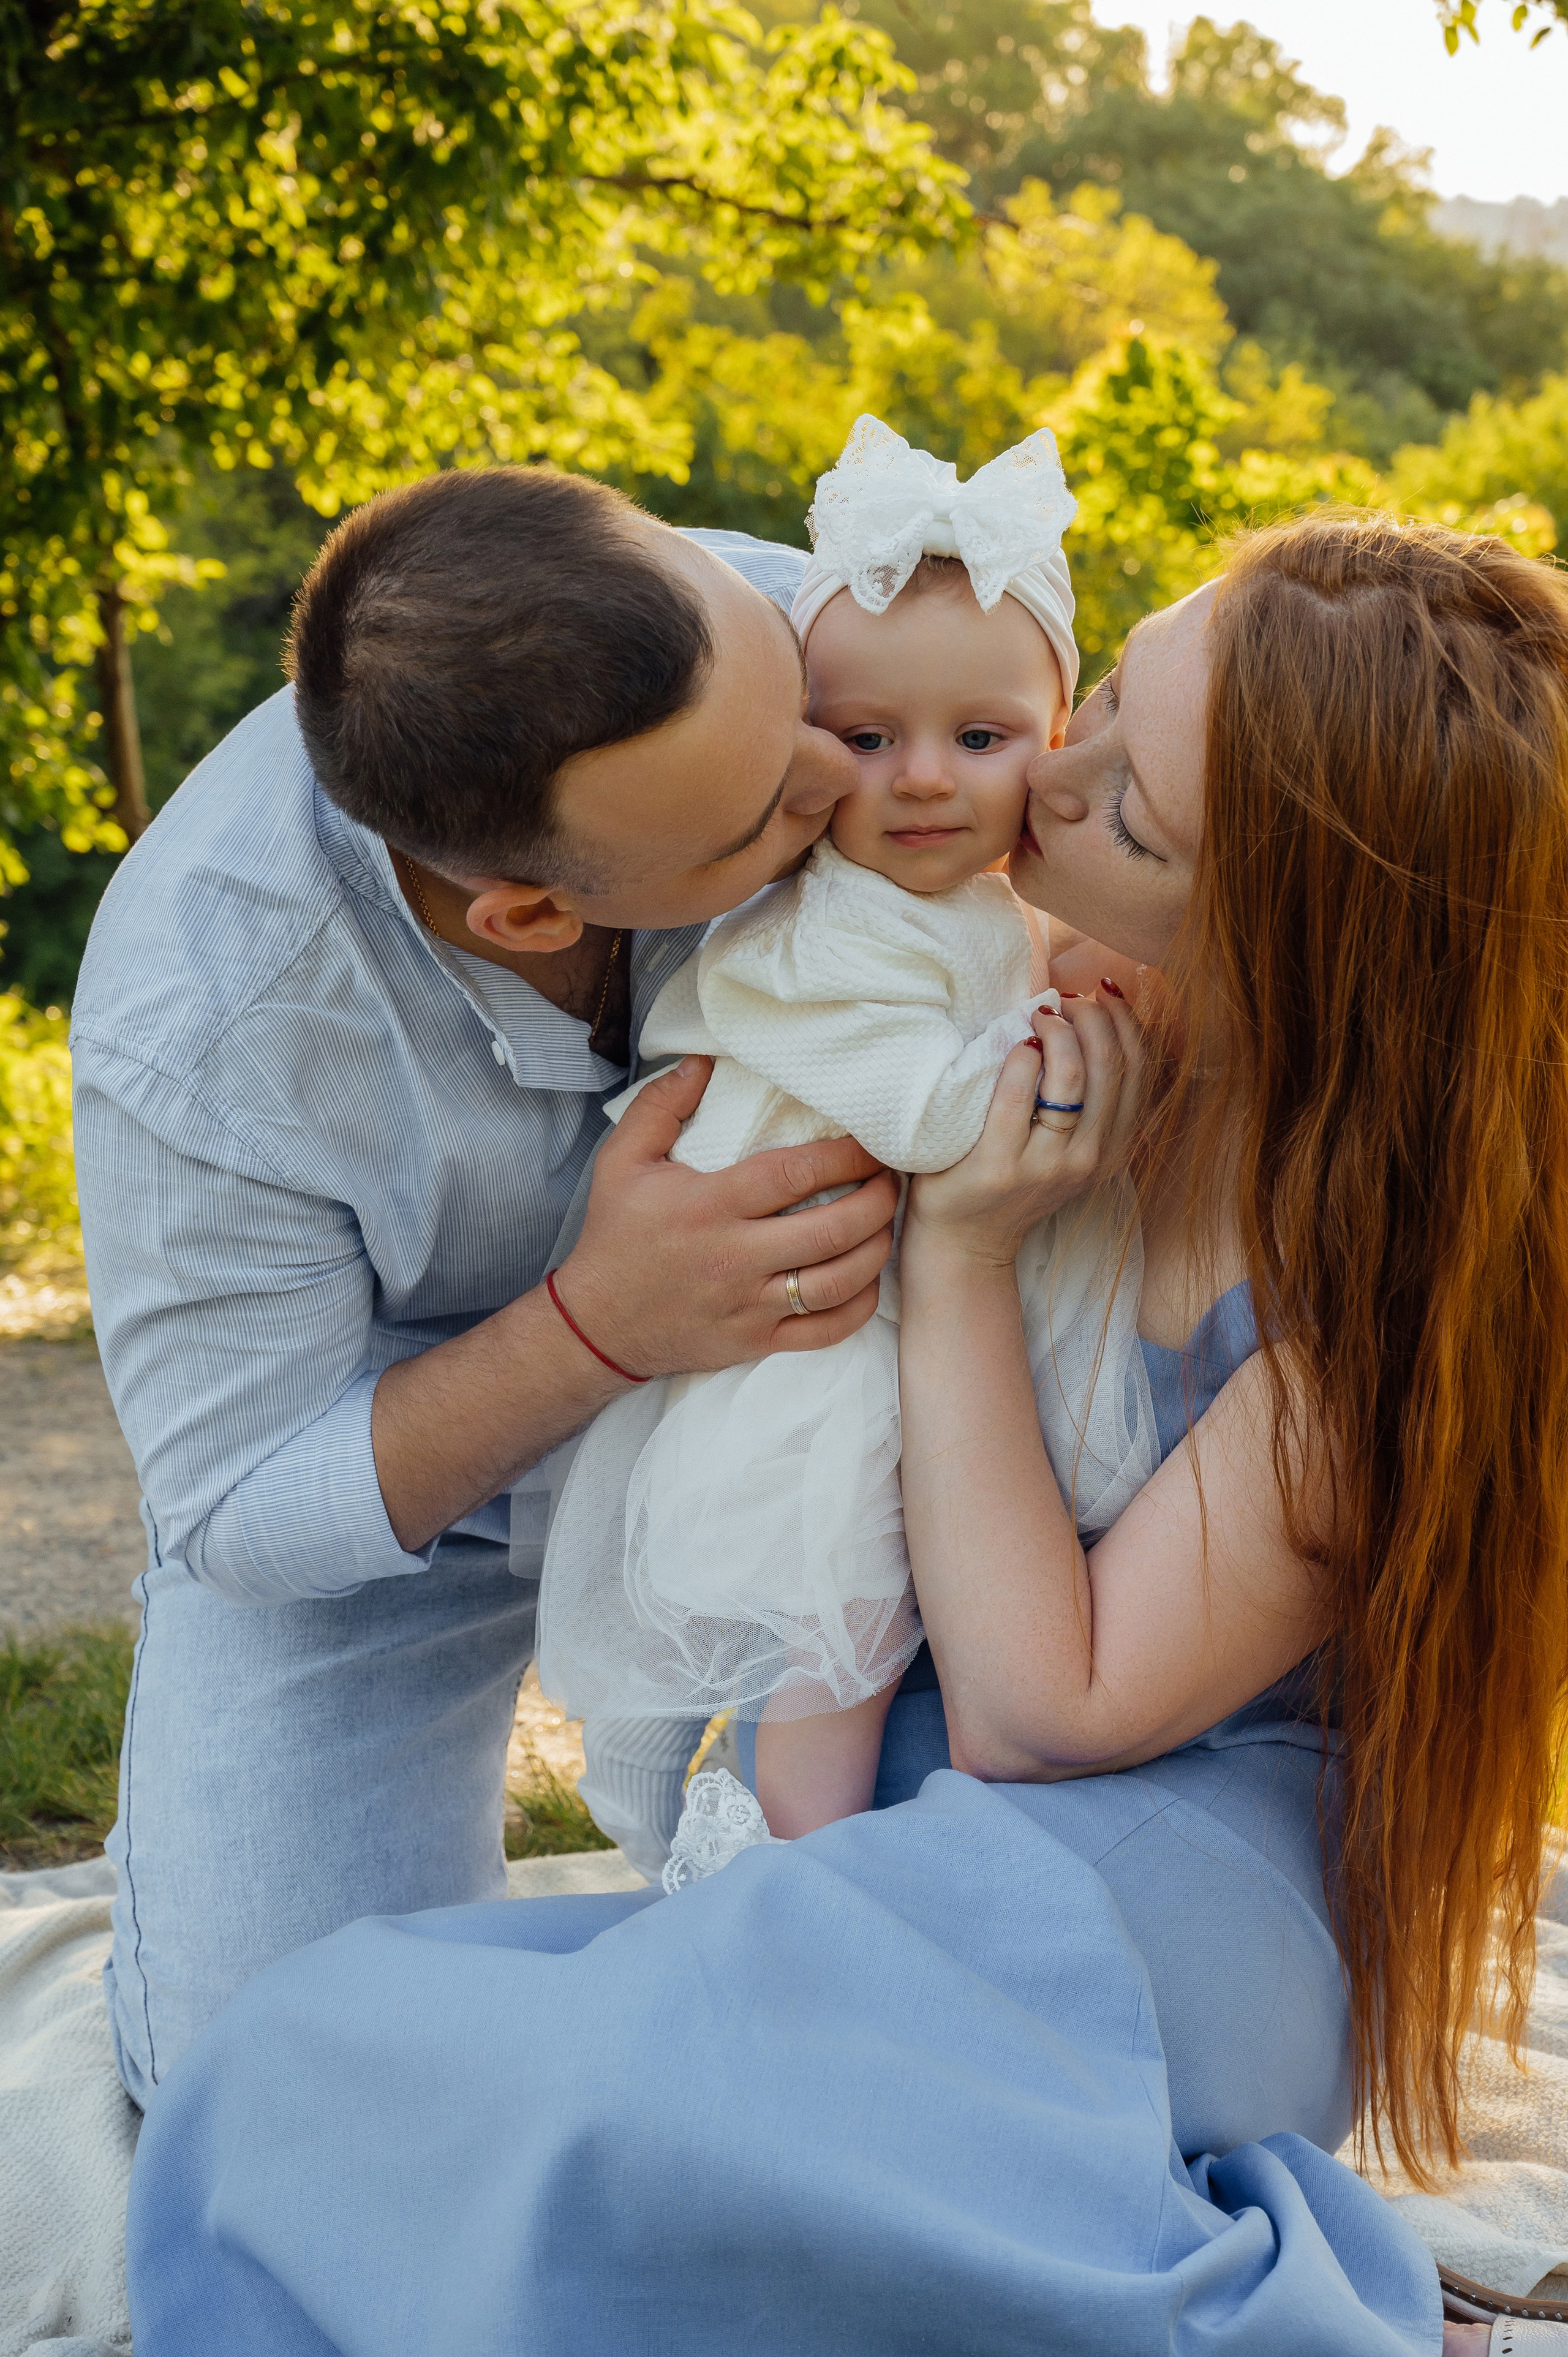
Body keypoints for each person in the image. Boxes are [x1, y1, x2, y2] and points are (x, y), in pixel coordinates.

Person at [124, 513, 1568, 2354]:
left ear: (1287, 921)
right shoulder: (1015, 958)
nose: (1050, 771)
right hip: (892, 1831)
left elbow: (1048, 1714)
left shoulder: (1385, 1275)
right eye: (1109, 689)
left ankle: (1278, 2305)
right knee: (289, 2077)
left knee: (606, 2137)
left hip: (1166, 1862)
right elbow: (235, 1496)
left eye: (1132, 811)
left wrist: (963, 1256)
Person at [70, 466, 904, 2105]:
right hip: (410, 1519)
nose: (836, 775)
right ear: (531, 910)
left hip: (836, 1429)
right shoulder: (206, 1023)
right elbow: (241, 1504)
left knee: (921, 1994)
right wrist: (599, 1328)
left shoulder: (809, 630)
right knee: (273, 2094)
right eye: (757, 821)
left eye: (803, 707)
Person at [541, 416, 1153, 1842]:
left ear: (1050, 746)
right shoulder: (807, 939)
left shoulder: (978, 910)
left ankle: (725, 1824)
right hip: (809, 1358)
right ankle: (775, 1872)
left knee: (909, 1620)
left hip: (903, 1319)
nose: (924, 777)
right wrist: (1070, 1040)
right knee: (834, 1644)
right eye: (868, 739)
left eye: (979, 737)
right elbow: (933, 1114)